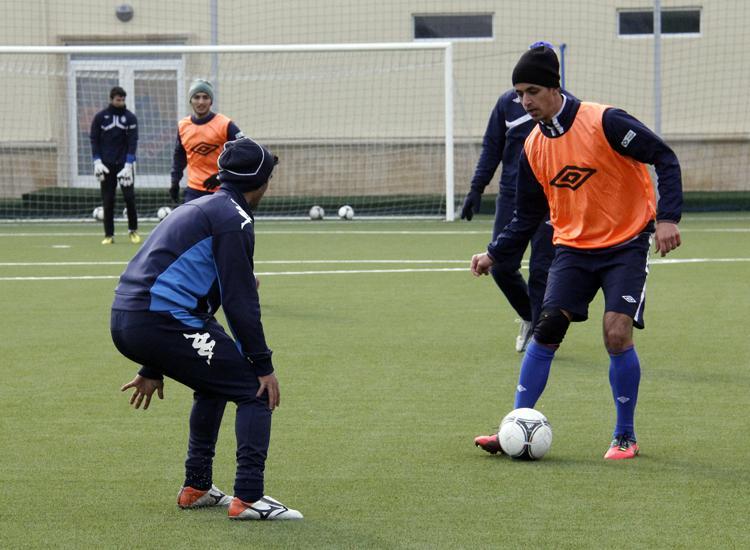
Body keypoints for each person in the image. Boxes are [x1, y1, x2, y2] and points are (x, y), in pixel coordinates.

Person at [471, 45, 683, 460]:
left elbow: (664, 157)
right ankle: (514, 424)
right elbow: (527, 214)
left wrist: (668, 217)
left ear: (555, 87)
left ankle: (625, 435)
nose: (525, 101)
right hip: (572, 248)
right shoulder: (533, 145)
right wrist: (494, 253)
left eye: (533, 91)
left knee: (616, 332)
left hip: (625, 245)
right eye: (519, 93)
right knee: (546, 326)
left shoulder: (605, 121)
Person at [112, 137, 302, 520]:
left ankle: (196, 487)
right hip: (160, 319)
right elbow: (238, 302)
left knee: (214, 384)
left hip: (128, 316)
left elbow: (198, 288)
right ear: (260, 181)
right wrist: (263, 365)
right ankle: (249, 498)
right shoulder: (234, 218)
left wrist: (152, 363)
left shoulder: (201, 205)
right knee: (254, 391)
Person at [461, 41, 560, 353]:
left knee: (542, 270)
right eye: (522, 90)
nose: (527, 98)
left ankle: (540, 337)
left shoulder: (565, 108)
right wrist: (476, 188)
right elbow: (492, 148)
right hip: (512, 197)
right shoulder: (507, 104)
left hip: (551, 200)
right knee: (501, 266)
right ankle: (530, 316)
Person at [170, 79, 245, 204]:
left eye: (205, 97)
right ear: (190, 100)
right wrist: (175, 181)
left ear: (211, 101)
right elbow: (179, 156)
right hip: (194, 191)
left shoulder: (225, 124)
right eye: (196, 97)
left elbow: (244, 152)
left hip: (222, 190)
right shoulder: (183, 126)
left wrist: (221, 176)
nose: (201, 102)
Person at [90, 86, 140, 245]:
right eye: (118, 100)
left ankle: (133, 230)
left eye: (123, 100)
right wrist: (97, 161)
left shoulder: (130, 118)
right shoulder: (100, 117)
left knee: (129, 198)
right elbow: (94, 140)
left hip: (124, 166)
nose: (121, 102)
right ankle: (109, 235)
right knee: (108, 199)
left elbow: (133, 142)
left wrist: (129, 164)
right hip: (106, 165)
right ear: (111, 99)